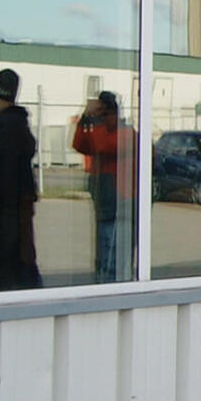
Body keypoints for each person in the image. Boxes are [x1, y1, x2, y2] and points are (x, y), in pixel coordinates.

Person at [0, 68, 43, 291]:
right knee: (22, 253)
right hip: (19, 204)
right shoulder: (19, 125)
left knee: (2, 258)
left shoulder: (4, 129)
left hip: (3, 207)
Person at [71, 90, 134, 282]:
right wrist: (84, 119)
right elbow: (79, 145)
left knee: (113, 252)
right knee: (103, 252)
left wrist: (95, 120)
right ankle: (102, 280)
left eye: (104, 114)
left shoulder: (126, 134)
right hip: (104, 201)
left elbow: (102, 146)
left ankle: (112, 283)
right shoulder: (102, 133)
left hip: (121, 202)